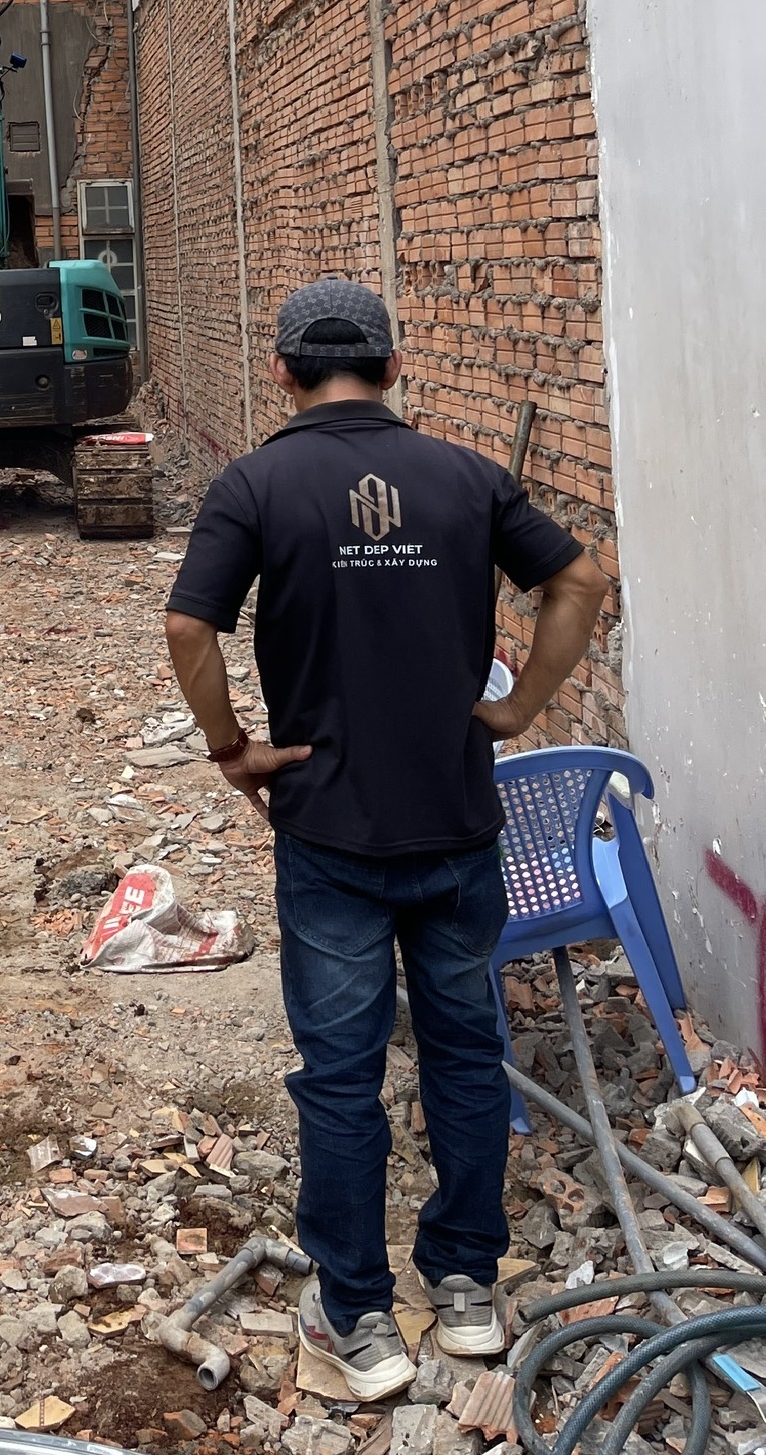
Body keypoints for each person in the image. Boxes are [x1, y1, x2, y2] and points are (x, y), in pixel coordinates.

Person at [163, 278, 610, 1402]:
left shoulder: (256, 484)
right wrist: (519, 707)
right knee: (464, 1053)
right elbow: (578, 579)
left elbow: (189, 624)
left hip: (330, 832)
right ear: (393, 367)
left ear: (282, 372)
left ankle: (356, 1316)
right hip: (455, 824)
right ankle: (465, 1288)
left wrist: (233, 749)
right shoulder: (467, 476)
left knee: (341, 1074)